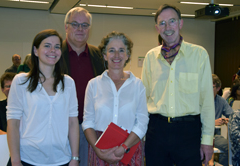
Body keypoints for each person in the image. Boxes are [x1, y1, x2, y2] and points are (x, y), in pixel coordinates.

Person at [141, 4, 215, 166]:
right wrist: (143, 137)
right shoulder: (150, 57)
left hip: (189, 133)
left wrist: (207, 140)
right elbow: (143, 100)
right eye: (162, 23)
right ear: (157, 28)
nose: (167, 27)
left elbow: (207, 102)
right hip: (156, 132)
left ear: (180, 23)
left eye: (172, 21)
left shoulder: (199, 55)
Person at [6, 29, 79, 166]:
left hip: (61, 159)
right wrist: (15, 160)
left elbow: (73, 122)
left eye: (57, 47)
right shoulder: (21, 81)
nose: (53, 50)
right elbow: (13, 123)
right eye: (47, 45)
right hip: (27, 158)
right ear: (35, 50)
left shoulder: (68, 82)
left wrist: (75, 158)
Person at [82, 31, 149, 165]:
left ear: (128, 55)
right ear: (105, 56)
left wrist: (124, 147)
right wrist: (97, 149)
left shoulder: (137, 85)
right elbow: (88, 122)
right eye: (111, 50)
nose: (117, 55)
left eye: (121, 50)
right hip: (100, 149)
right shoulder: (93, 84)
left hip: (130, 150)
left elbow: (142, 121)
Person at [62, 7, 105, 166]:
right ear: (66, 27)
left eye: (85, 25)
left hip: (90, 128)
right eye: (75, 24)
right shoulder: (55, 53)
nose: (80, 29)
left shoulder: (98, 55)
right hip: (62, 127)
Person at [208, 74, 233, 166]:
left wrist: (227, 120)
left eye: (211, 87)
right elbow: (193, 122)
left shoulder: (221, 101)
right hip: (198, 135)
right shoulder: (198, 100)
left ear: (218, 88)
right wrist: (212, 123)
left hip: (214, 135)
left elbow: (231, 115)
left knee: (230, 147)